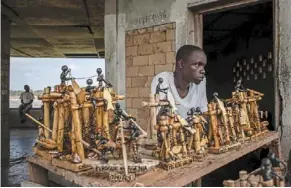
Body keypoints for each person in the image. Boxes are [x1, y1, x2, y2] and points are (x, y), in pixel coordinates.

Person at [151, 45, 207, 119]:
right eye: (196, 65)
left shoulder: (201, 83)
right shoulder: (162, 80)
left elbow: (204, 112)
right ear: (181, 64)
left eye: (203, 66)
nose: (203, 71)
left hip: (192, 130)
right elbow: (160, 117)